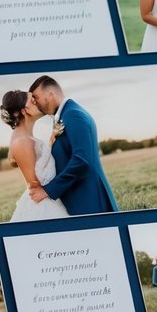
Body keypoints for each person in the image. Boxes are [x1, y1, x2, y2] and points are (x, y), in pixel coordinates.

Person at [27, 76, 118, 216]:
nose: (35, 103)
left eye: (36, 97)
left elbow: (82, 160)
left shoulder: (73, 115)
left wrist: (48, 190)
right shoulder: (66, 114)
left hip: (89, 201)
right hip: (81, 199)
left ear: (51, 94)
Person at [1, 90, 69, 221]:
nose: (38, 102)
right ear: (22, 111)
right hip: (42, 206)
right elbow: (34, 183)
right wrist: (50, 145)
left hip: (47, 197)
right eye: (33, 101)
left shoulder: (27, 137)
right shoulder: (21, 141)